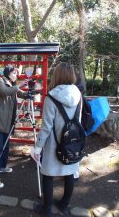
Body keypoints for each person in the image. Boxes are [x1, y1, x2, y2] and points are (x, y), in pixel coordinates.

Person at [32, 62, 82, 216]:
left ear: (57, 75)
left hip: (54, 143)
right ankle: (64, 206)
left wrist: (37, 148)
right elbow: (77, 121)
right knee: (69, 173)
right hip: (72, 143)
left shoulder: (51, 97)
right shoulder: (78, 95)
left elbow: (46, 127)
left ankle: (46, 209)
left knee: (48, 174)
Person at [0, 65, 28, 188]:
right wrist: (19, 85)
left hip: (7, 122)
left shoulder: (11, 85)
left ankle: (2, 167)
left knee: (5, 146)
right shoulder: (0, 81)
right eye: (15, 73)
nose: (16, 75)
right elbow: (4, 91)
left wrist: (29, 94)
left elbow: (19, 93)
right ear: (8, 73)